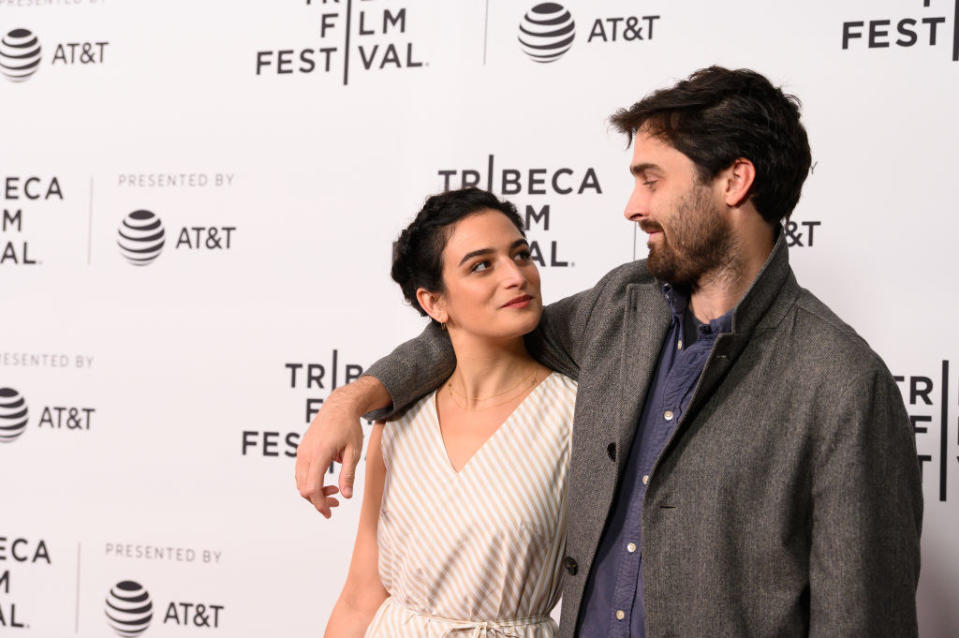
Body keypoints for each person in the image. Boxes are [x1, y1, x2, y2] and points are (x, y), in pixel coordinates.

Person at [301, 67, 923, 637]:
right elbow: (474, 331)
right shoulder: (621, 307)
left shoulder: (841, 383)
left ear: (735, 180)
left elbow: (862, 621)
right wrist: (354, 399)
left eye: (651, 180)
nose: (633, 207)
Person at [323, 188, 577, 637]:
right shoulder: (397, 422)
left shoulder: (577, 414)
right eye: (482, 265)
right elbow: (360, 596)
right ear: (433, 302)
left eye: (520, 255)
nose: (516, 276)